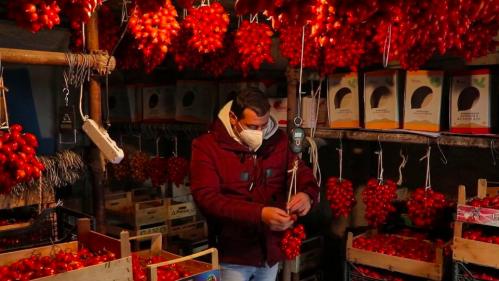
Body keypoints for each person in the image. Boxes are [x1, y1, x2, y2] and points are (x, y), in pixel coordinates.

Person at [190, 88, 319, 281]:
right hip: (232, 255)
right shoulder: (206, 147)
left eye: (264, 125)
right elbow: (207, 198)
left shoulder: (278, 141)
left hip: (269, 253)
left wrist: (307, 195)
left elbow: (299, 171)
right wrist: (259, 214)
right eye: (252, 126)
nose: (259, 133)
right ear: (233, 118)